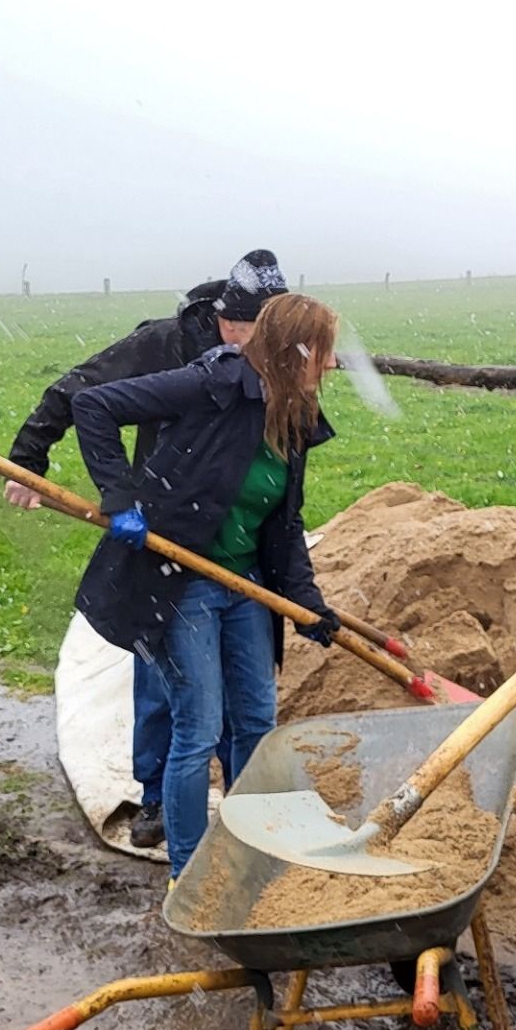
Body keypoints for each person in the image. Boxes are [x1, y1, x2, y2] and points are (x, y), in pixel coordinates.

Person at [2, 253, 279, 849]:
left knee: (241, 694)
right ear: (231, 321)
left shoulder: (267, 358)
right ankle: (156, 798)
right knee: (164, 679)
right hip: (157, 534)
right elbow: (79, 391)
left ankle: (244, 811)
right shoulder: (166, 346)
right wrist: (29, 461)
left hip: (226, 541)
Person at [70, 292, 343, 881]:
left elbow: (284, 523)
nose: (332, 364)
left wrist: (306, 603)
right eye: (325, 351)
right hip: (181, 577)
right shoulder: (212, 384)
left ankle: (251, 853)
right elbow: (93, 406)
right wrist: (120, 498)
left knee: (254, 722)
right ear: (298, 350)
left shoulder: (293, 412)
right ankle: (189, 873)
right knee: (199, 726)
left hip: (243, 581)